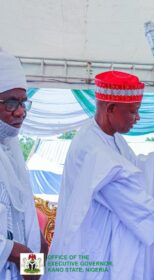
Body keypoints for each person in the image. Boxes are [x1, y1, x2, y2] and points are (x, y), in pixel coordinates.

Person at [47, 71, 154, 280]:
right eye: (133, 112)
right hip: (93, 251)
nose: (138, 118)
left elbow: (135, 174)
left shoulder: (106, 136)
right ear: (112, 109)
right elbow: (138, 205)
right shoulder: (95, 151)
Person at [0, 49, 48, 279]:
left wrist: (39, 245)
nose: (21, 112)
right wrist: (19, 254)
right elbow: (17, 250)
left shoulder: (11, 148)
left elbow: (23, 214)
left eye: (23, 102)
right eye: (11, 102)